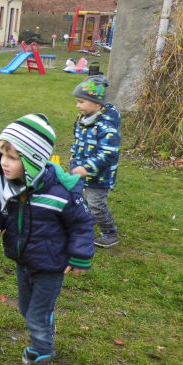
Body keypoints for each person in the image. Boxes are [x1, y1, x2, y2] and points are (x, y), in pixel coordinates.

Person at [0, 113, 94, 365]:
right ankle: (45, 330)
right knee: (27, 310)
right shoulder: (7, 185)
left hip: (51, 266)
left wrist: (80, 255)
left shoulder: (59, 192)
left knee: (36, 317)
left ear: (32, 160)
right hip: (23, 261)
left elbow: (81, 224)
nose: (4, 162)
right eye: (2, 153)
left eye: (13, 157)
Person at [70, 75, 121, 248]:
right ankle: (87, 221)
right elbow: (78, 141)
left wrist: (87, 167)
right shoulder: (83, 121)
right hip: (82, 170)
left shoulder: (107, 126)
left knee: (96, 203)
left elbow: (109, 153)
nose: (78, 105)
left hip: (101, 175)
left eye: (81, 102)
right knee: (80, 199)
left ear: (97, 103)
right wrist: (73, 157)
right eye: (77, 101)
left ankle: (110, 233)